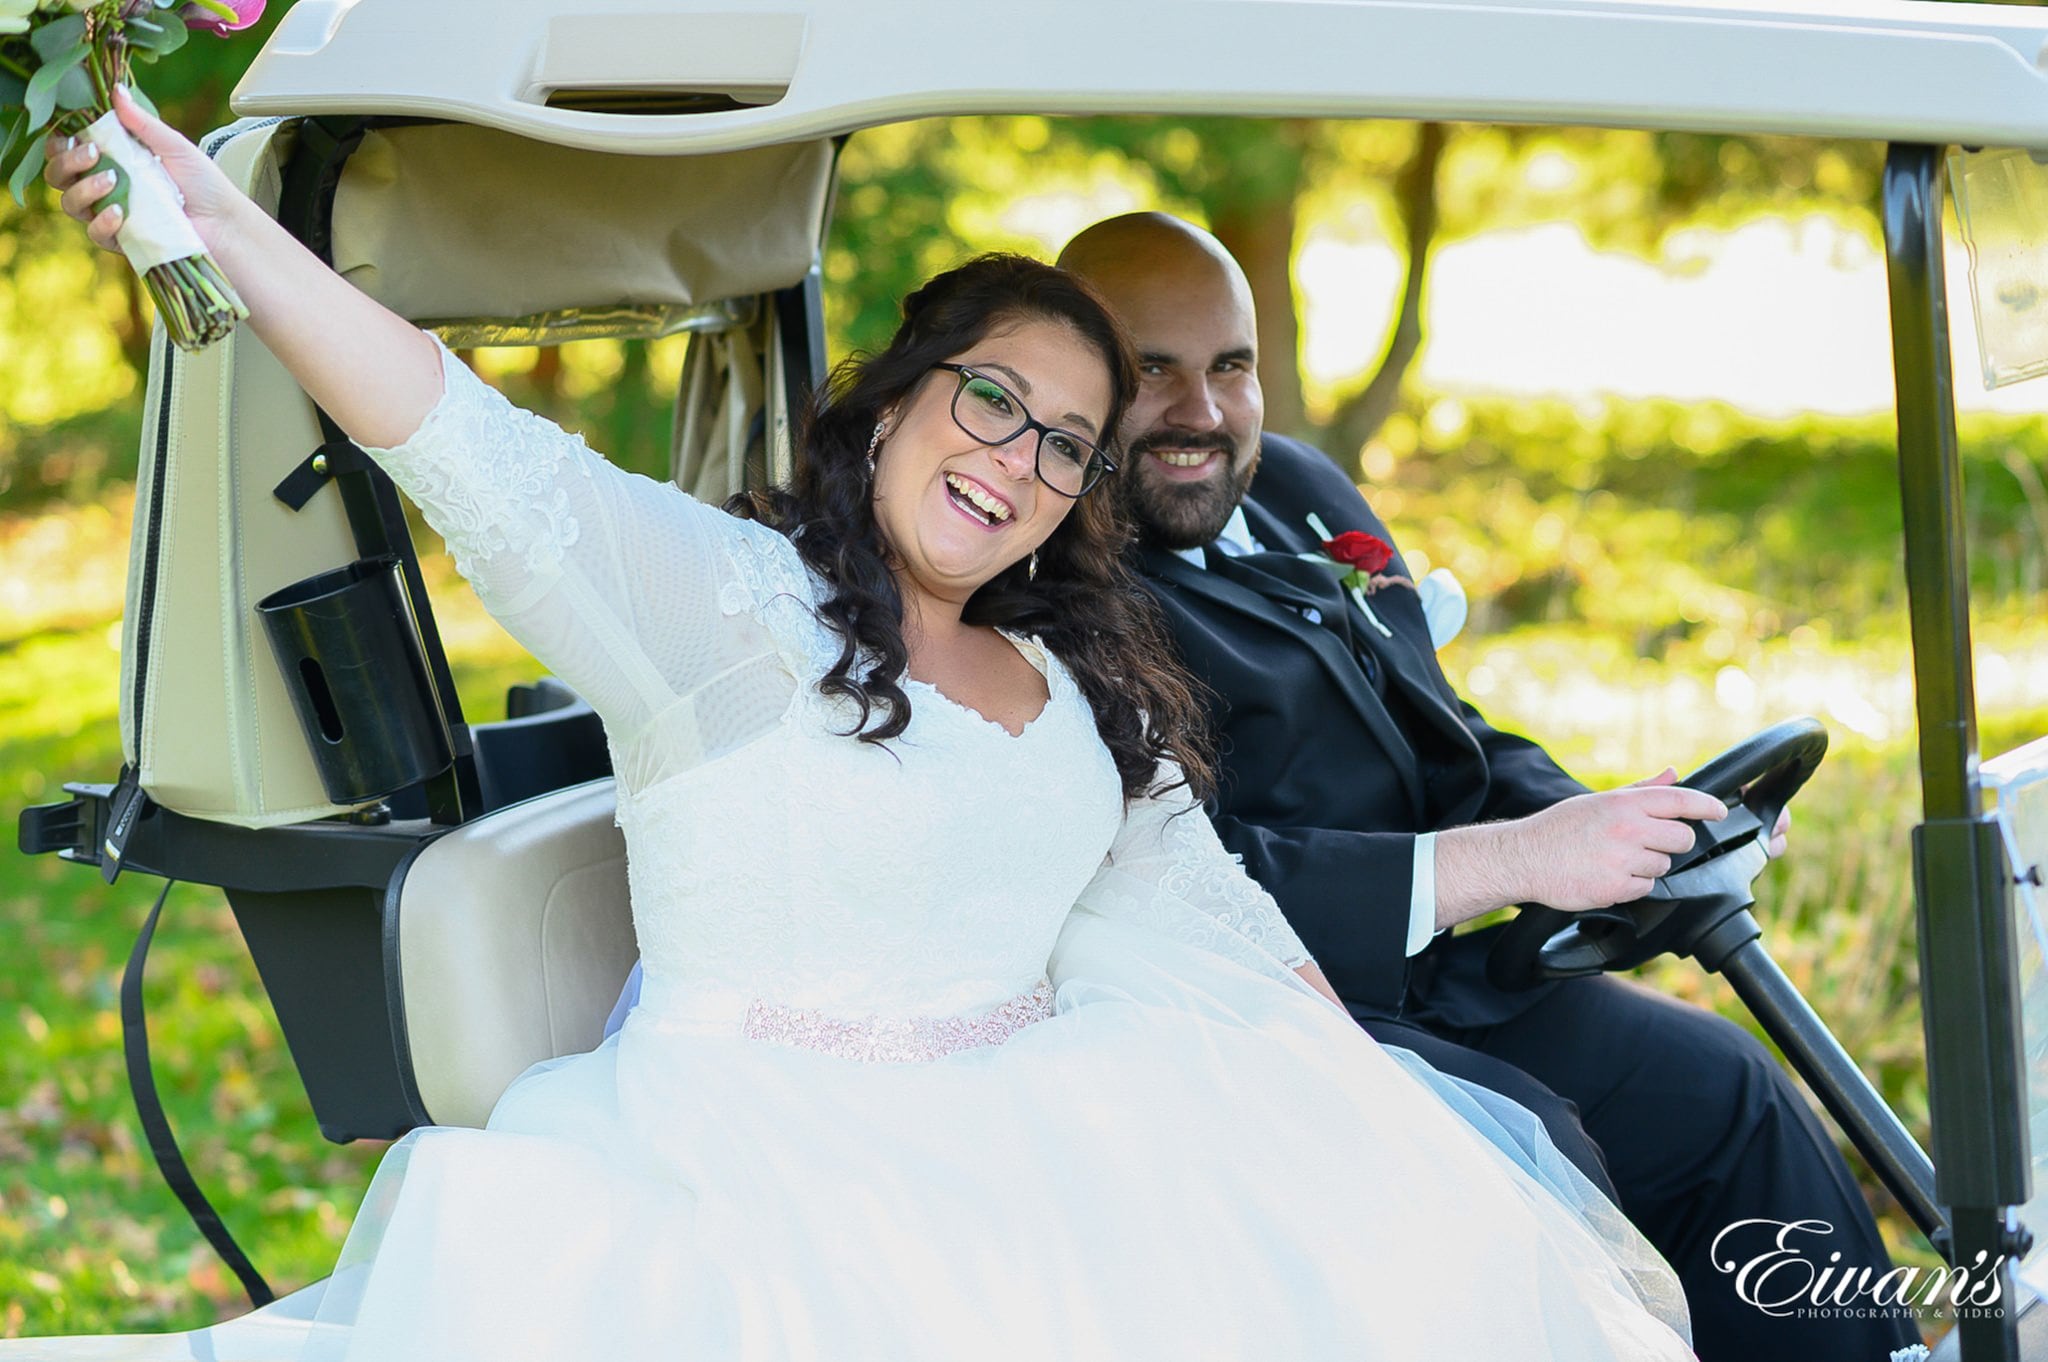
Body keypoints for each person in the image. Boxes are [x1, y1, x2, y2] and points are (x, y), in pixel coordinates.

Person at [38, 96, 1699, 1360]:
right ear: (901, 395)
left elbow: (1222, 932)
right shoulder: (723, 610)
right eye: (989, 398)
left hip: (1048, 1134)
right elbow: (446, 427)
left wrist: (1384, 1131)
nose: (1013, 459)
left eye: (1064, 443)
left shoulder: (1072, 683)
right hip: (755, 1171)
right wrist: (212, 220)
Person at [1059, 211, 1923, 1362]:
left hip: (1451, 976)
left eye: (1229, 367)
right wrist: (1507, 865)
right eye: (1149, 371)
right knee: (1542, 1167)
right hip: (1266, 1019)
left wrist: (1621, 828)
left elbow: (1440, 728)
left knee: (1724, 1091)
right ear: (1075, 383)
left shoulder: (1294, 490)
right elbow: (1178, 878)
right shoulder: (1059, 589)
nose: (1201, 414)